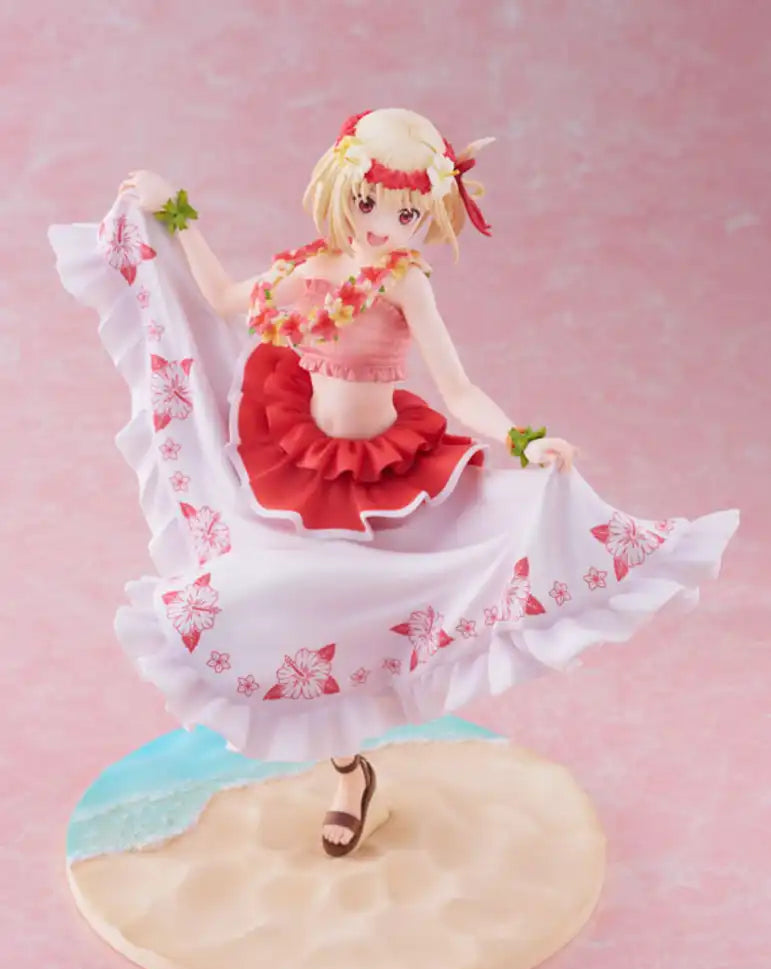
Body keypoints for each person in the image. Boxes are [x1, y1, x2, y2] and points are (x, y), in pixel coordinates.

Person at [49, 107, 739, 858]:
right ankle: (349, 771)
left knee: (401, 591)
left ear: (429, 214)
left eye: (406, 213)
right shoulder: (307, 271)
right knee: (274, 596)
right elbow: (219, 300)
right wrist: (174, 211)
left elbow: (459, 388)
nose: (382, 225)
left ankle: (357, 771)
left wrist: (522, 439)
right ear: (339, 188)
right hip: (298, 463)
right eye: (368, 202)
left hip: (392, 475)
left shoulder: (405, 283)